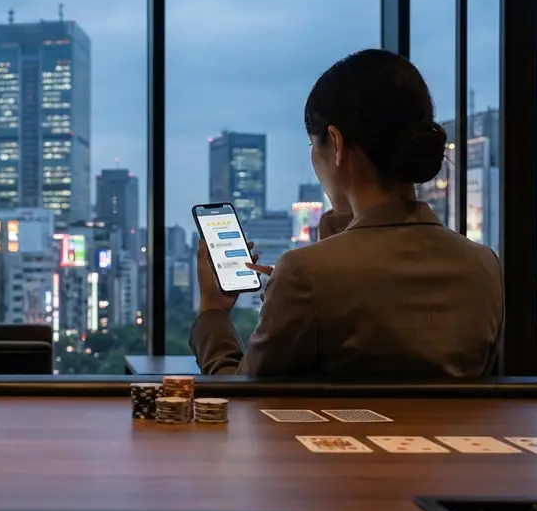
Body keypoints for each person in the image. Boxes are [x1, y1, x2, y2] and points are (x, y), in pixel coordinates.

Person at [190, 49, 504, 377]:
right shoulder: (484, 266)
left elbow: (240, 394)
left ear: (336, 142)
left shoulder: (305, 274)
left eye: (313, 145)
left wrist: (213, 312)